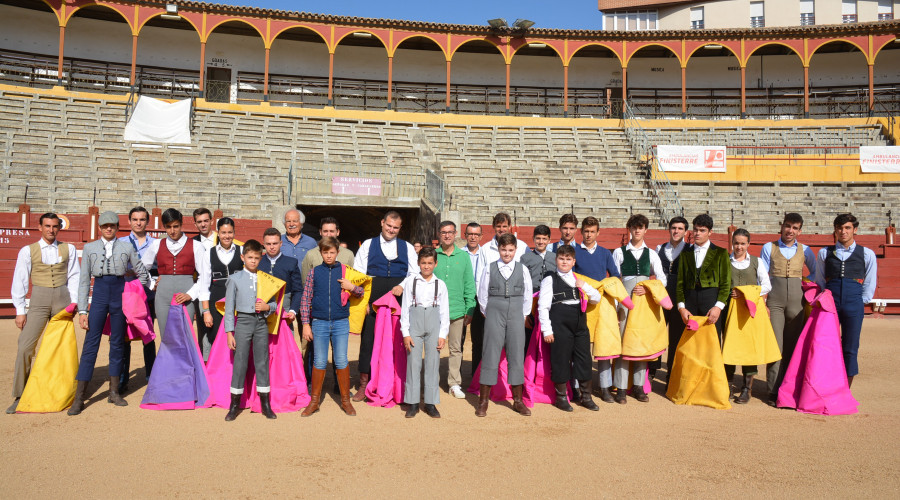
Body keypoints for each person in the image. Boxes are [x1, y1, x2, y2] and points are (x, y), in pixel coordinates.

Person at [69, 211, 149, 415]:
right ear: (100, 228)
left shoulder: (127, 246)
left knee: (117, 343)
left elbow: (141, 271)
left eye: (112, 225)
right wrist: (83, 310)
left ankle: (114, 392)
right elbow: (84, 281)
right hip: (100, 295)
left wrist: (136, 291)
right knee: (91, 343)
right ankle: (79, 398)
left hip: (120, 295)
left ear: (116, 227)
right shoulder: (89, 248)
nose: (108, 229)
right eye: (105, 226)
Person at [7, 213, 80, 414]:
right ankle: (21, 394)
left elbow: (74, 275)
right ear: (40, 227)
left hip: (62, 300)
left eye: (55, 226)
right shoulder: (28, 251)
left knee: (62, 348)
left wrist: (74, 302)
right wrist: (20, 311)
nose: (51, 230)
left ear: (59, 228)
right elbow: (20, 281)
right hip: (38, 300)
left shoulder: (69, 248)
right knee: (25, 346)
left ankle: (63, 391)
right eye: (47, 226)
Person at [352, 210, 419, 401]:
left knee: (398, 340)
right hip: (374, 299)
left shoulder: (406, 247)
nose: (391, 230)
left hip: (398, 299)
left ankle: (398, 384)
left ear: (400, 228)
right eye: (389, 225)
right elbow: (359, 275)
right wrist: (364, 302)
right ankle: (365, 384)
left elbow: (414, 273)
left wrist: (401, 286)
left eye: (395, 227)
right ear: (382, 223)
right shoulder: (367, 244)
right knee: (368, 340)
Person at [299, 237, 366, 417]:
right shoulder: (314, 272)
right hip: (319, 322)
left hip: (340, 322)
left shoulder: (346, 271)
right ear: (320, 253)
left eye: (332, 252)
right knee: (319, 361)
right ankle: (314, 402)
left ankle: (346, 401)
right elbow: (305, 299)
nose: (329, 256)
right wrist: (306, 324)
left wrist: (351, 287)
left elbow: (362, 292)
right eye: (325, 252)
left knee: (342, 360)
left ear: (338, 252)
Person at [759, 213, 817, 405]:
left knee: (793, 348)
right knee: (776, 346)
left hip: (797, 304)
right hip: (775, 302)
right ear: (782, 226)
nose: (790, 230)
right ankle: (773, 390)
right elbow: (763, 276)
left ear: (799, 231)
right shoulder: (769, 247)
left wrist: (809, 289)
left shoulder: (806, 250)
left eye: (794, 228)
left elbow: (816, 272)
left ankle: (791, 389)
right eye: (787, 226)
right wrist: (763, 302)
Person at [814, 213, 877, 387]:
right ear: (835, 230)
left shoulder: (867, 254)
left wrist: (860, 301)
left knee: (850, 346)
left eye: (847, 228)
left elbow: (870, 281)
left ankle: (844, 388)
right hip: (830, 304)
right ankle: (826, 383)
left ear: (855, 230)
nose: (843, 231)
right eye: (840, 228)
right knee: (826, 345)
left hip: (853, 303)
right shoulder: (824, 253)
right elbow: (820, 280)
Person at [538, 244, 602, 412]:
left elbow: (596, 298)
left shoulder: (577, 278)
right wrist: (547, 330)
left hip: (580, 323)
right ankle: (561, 398)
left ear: (573, 261)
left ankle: (586, 397)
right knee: (560, 359)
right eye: (561, 259)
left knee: (584, 359)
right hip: (559, 322)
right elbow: (543, 306)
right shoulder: (550, 278)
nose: (564, 262)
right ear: (556, 260)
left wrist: (584, 286)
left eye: (568, 259)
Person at [475, 233, 533, 417]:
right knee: (490, 352)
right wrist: (489, 312)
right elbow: (482, 294)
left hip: (516, 312)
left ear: (516, 250)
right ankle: (483, 401)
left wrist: (522, 314)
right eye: (503, 249)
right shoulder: (489, 268)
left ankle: (517, 401)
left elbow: (528, 294)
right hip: (494, 310)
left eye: (510, 250)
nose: (507, 253)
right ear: (498, 249)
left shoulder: (522, 269)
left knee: (516, 354)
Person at [611, 214, 666, 404]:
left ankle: (638, 386)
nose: (637, 230)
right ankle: (620, 387)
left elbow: (662, 279)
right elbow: (615, 280)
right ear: (629, 229)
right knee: (623, 344)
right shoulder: (619, 252)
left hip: (644, 305)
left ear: (645, 230)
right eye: (634, 227)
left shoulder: (651, 254)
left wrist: (648, 287)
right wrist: (617, 305)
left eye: (640, 227)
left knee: (641, 344)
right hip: (624, 304)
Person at [223, 239, 278, 421]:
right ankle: (234, 405)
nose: (253, 261)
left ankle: (265, 404)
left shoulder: (266, 278)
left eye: (256, 257)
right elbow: (229, 308)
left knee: (262, 361)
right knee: (240, 362)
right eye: (250, 257)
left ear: (261, 258)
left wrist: (267, 307)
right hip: (244, 322)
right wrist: (229, 332)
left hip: (261, 322)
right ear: (243, 257)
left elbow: (274, 304)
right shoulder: (234, 278)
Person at [300, 217, 355, 387]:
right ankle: (312, 387)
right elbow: (306, 287)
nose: (328, 234)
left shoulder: (348, 255)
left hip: (339, 314)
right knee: (316, 353)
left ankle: (340, 388)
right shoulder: (311, 255)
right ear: (320, 233)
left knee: (339, 355)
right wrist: (306, 320)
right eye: (325, 231)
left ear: (338, 233)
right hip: (319, 314)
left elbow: (354, 281)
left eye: (332, 231)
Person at [472, 213, 528, 377]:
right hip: (493, 305)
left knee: (515, 347)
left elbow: (524, 280)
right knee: (487, 345)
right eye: (498, 226)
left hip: (514, 306)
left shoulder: (522, 246)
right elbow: (479, 280)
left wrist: (523, 312)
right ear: (493, 227)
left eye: (505, 226)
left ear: (510, 226)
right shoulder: (484, 249)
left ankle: (515, 387)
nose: (502, 229)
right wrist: (485, 308)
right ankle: (479, 381)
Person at [675, 214, 730, 376]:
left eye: (702, 230)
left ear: (710, 232)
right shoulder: (685, 254)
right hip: (690, 300)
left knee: (711, 344)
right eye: (696, 230)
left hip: (711, 300)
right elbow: (680, 284)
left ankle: (710, 384)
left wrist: (718, 307)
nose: (697, 233)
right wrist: (681, 308)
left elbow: (726, 284)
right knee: (690, 344)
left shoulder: (720, 253)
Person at [401, 247, 450, 418]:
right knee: (413, 363)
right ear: (418, 263)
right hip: (415, 322)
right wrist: (405, 333)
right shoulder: (410, 282)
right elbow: (405, 309)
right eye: (423, 263)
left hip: (433, 323)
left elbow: (444, 312)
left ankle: (430, 403)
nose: (427, 266)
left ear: (435, 264)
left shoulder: (440, 284)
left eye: (430, 263)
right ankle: (413, 403)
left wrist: (442, 334)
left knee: (432, 363)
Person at [140, 208, 205, 337]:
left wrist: (190, 295)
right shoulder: (157, 244)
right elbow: (141, 268)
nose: (172, 231)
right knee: (166, 337)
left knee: (185, 336)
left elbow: (204, 275)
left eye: (176, 226)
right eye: (168, 227)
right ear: (164, 226)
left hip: (186, 296)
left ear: (181, 225)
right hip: (163, 297)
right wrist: (151, 284)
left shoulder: (196, 245)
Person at [725, 228, 772, 404]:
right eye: (736, 243)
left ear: (748, 244)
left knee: (748, 349)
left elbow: (766, 285)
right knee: (729, 346)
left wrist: (745, 293)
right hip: (730, 309)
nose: (739, 247)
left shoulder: (757, 261)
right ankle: (728, 385)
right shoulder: (725, 260)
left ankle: (747, 389)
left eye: (743, 243)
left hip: (750, 311)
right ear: (732, 243)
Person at [118, 206, 158, 392]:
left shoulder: (156, 243)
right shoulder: (120, 242)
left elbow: (159, 269)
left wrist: (156, 281)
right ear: (129, 221)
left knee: (147, 336)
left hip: (148, 296)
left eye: (142, 219)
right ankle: (123, 378)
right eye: (135, 219)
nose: (138, 223)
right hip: (127, 296)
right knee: (124, 337)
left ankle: (151, 375)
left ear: (147, 221)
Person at [434, 221, 476, 400]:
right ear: (439, 234)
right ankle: (432, 381)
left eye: (450, 232)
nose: (447, 235)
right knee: (433, 347)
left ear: (456, 233)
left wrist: (470, 308)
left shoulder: (464, 256)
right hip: (434, 309)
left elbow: (469, 283)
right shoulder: (432, 254)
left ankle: (454, 383)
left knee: (456, 348)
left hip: (457, 308)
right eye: (443, 232)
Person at [199, 218, 242, 354]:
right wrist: (206, 312)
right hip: (216, 301)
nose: (227, 236)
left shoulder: (243, 251)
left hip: (238, 301)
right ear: (218, 233)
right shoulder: (208, 254)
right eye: (223, 232)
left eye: (230, 232)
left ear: (234, 233)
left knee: (238, 339)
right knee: (217, 338)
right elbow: (204, 284)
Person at [655, 216, 688, 381]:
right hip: (662, 296)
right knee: (657, 334)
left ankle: (671, 373)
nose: (676, 231)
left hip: (680, 297)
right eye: (674, 228)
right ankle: (652, 370)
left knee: (676, 336)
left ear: (685, 232)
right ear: (669, 229)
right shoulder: (659, 248)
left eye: (680, 228)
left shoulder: (690, 249)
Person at [258, 227, 304, 329]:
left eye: (275, 243)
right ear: (264, 244)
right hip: (261, 312)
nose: (272, 247)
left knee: (284, 343)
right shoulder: (258, 262)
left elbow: (298, 290)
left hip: (285, 310)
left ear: (281, 243)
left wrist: (293, 310)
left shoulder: (291, 262)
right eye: (268, 244)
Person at [192, 208, 217, 357]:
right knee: (203, 328)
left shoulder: (222, 238)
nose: (203, 224)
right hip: (201, 289)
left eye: (206, 221)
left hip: (220, 288)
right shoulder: (192, 243)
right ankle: (206, 362)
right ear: (195, 224)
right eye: (199, 222)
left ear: (212, 221)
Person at [573, 216, 619, 281]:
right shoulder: (574, 252)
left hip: (600, 290)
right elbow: (571, 276)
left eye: (592, 232)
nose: (589, 235)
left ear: (598, 232)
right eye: (586, 231)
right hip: (581, 290)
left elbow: (615, 276)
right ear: (581, 231)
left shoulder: (605, 253)